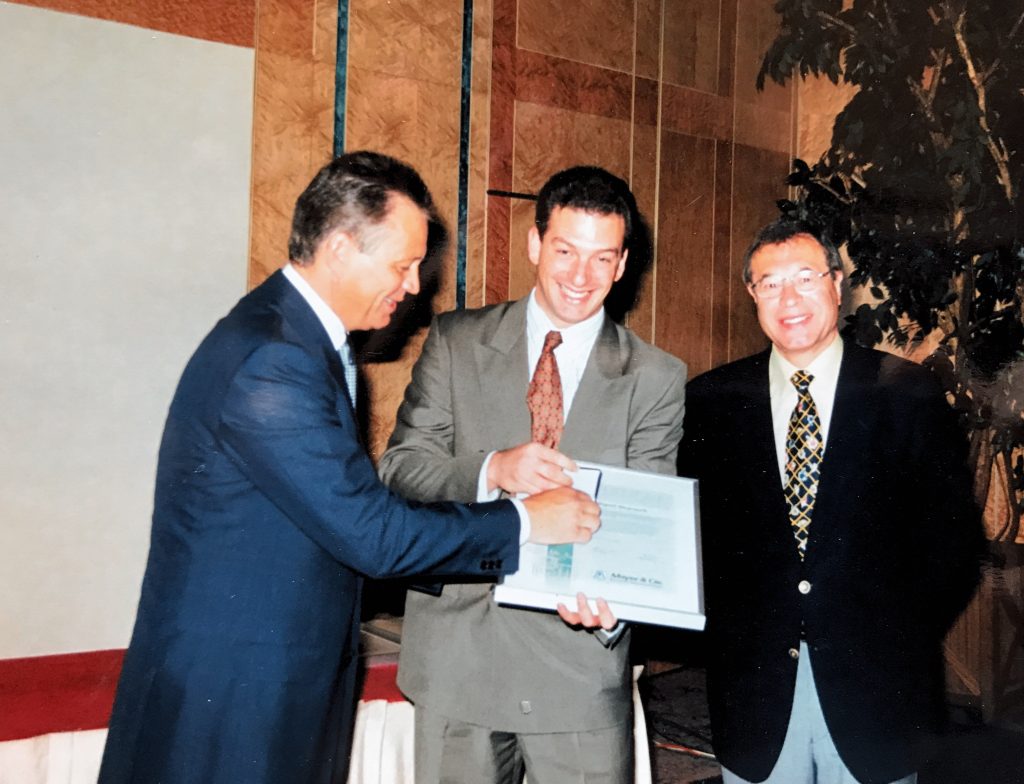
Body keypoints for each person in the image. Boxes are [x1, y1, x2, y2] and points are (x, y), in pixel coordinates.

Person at [98, 151, 601, 784]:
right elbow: (376, 536)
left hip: (278, 674)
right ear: (339, 249)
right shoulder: (271, 362)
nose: (414, 285)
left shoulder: (302, 340)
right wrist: (524, 522)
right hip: (233, 698)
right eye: (403, 265)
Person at [378, 165, 687, 784]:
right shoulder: (457, 341)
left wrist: (616, 610)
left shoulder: (655, 377)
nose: (580, 277)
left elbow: (643, 525)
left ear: (623, 265)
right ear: (534, 244)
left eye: (602, 259)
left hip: (577, 671)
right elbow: (400, 470)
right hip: (459, 661)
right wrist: (493, 469)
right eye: (566, 251)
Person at [680, 218, 984, 784]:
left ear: (837, 283)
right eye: (769, 284)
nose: (788, 299)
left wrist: (897, 638)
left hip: (878, 694)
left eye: (805, 277)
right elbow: (696, 545)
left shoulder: (907, 393)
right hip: (757, 697)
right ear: (752, 294)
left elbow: (954, 544)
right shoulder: (710, 401)